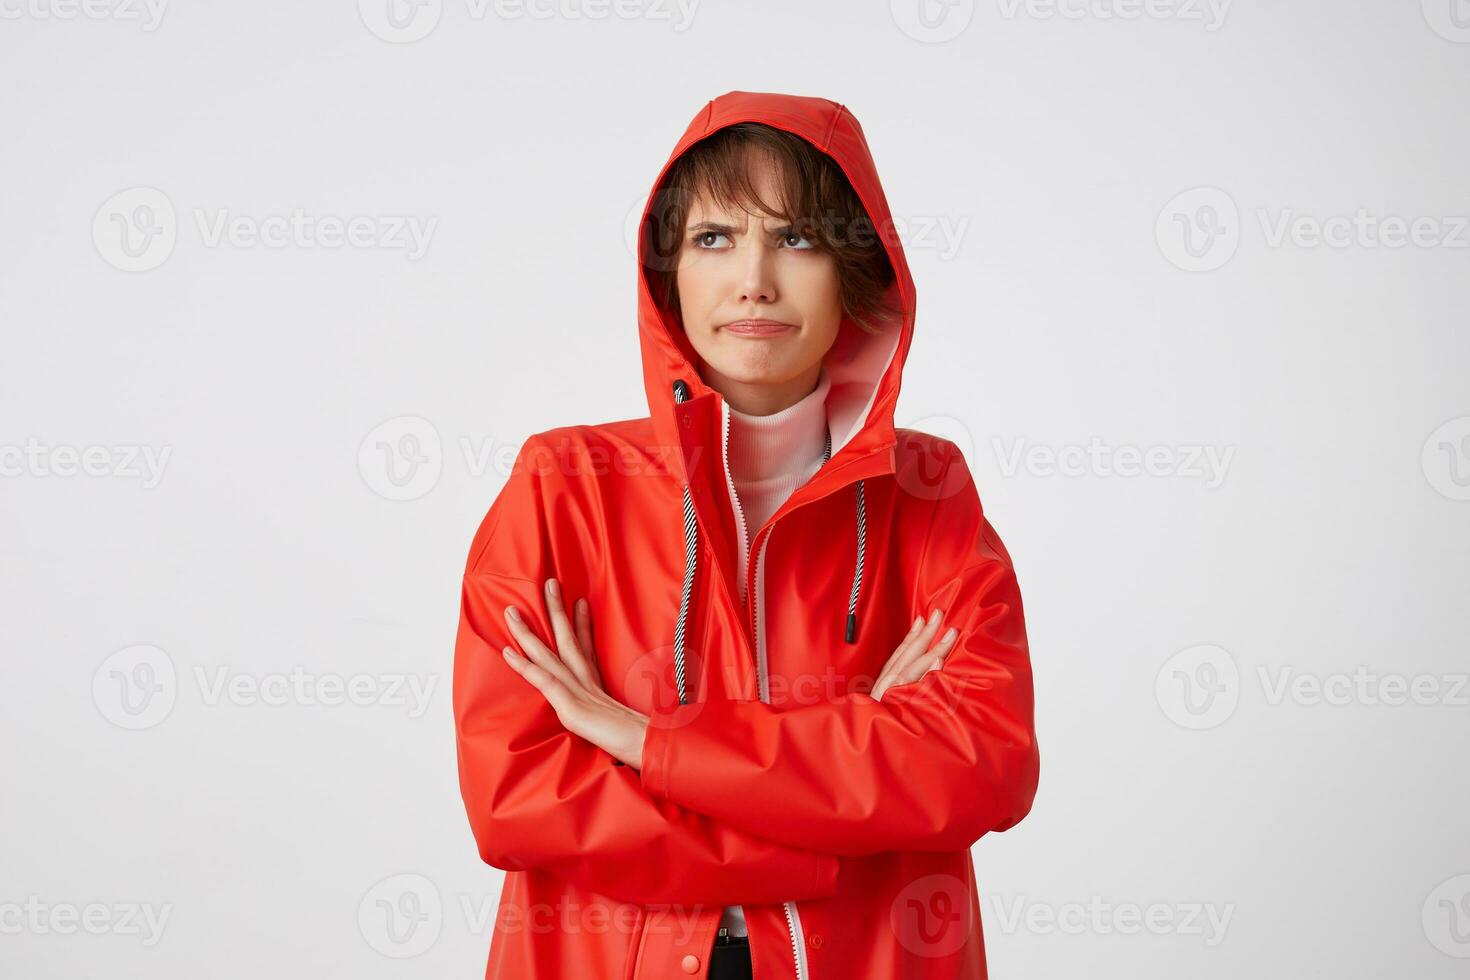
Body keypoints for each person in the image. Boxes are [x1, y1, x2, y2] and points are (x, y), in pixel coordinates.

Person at [452, 90, 1040, 980]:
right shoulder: (562, 485)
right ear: (670, 275)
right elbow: (518, 797)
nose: (754, 279)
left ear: (856, 272)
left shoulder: (928, 492)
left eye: (797, 238)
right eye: (715, 239)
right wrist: (849, 775)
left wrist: (644, 742)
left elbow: (983, 764)